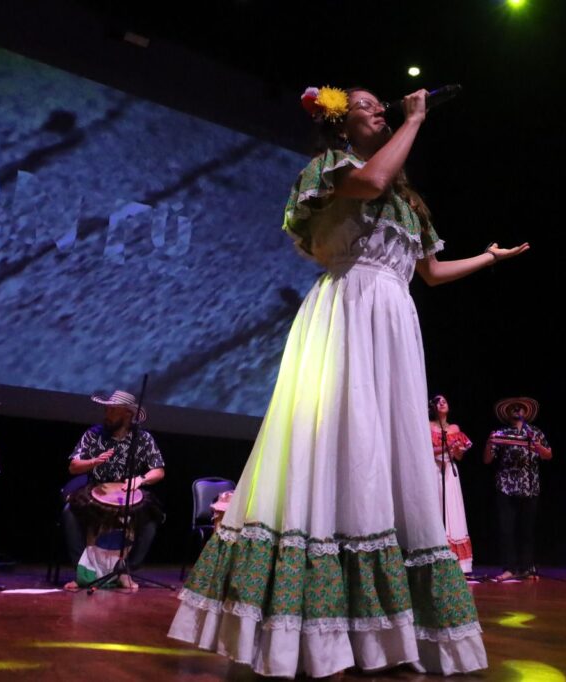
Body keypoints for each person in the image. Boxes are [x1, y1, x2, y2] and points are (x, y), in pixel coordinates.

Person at [169, 85, 529, 677]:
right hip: (348, 310)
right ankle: (317, 635)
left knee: (388, 459)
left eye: (381, 106)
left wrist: (488, 258)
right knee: (343, 444)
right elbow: (368, 185)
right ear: (341, 125)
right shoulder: (332, 168)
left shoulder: (408, 199)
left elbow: (431, 273)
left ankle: (391, 634)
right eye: (366, 106)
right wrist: (415, 121)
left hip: (394, 320)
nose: (380, 110)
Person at [61, 390, 165, 591]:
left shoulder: (142, 439)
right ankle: (83, 573)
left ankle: (125, 570)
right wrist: (93, 462)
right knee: (69, 513)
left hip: (128, 491)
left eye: (113, 410)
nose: (107, 414)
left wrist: (140, 479)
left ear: (128, 414)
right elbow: (73, 467)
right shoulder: (93, 434)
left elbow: (158, 471)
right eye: (107, 409)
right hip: (95, 489)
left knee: (152, 519)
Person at [483, 396, 552, 582]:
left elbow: (548, 454)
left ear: (525, 413)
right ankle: (509, 568)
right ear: (507, 413)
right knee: (507, 529)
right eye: (513, 408)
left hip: (530, 486)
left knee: (527, 529)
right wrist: (489, 443)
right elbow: (488, 460)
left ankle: (527, 567)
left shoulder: (534, 432)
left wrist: (537, 447)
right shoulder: (501, 432)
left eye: (520, 408)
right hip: (506, 486)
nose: (516, 410)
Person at [429, 395, 474, 574]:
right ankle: (436, 556)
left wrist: (456, 450)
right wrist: (446, 447)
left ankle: (459, 562)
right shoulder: (428, 426)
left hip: (450, 469)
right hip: (434, 468)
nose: (442, 403)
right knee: (437, 508)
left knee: (453, 511)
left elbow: (459, 457)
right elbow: (426, 449)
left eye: (445, 401)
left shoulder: (454, 428)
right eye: (438, 401)